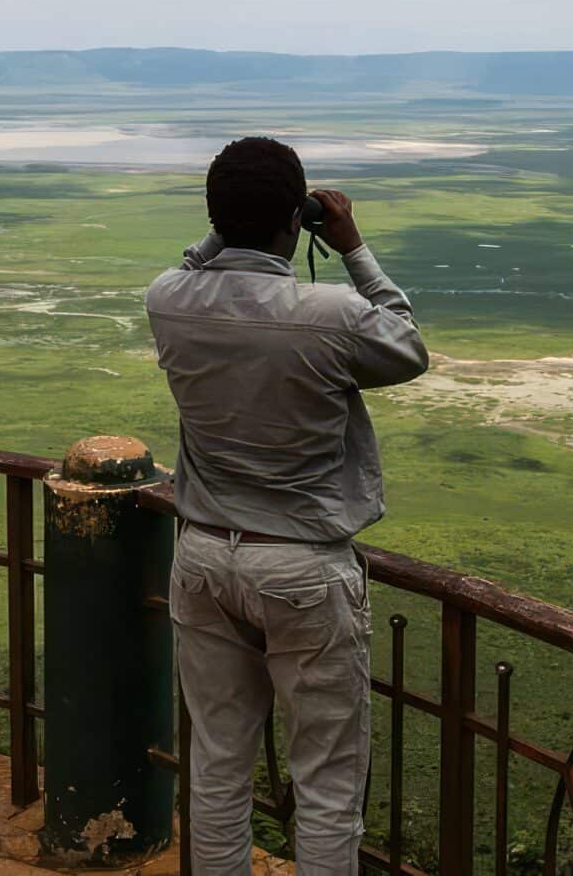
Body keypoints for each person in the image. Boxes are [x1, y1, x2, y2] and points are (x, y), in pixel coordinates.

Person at [145, 137, 429, 876]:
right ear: (293, 218)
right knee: (327, 782)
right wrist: (353, 247)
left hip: (204, 554)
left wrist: (228, 228)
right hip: (303, 568)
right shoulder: (330, 314)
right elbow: (407, 345)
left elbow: (192, 263)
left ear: (215, 215)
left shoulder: (168, 301)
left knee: (216, 764)